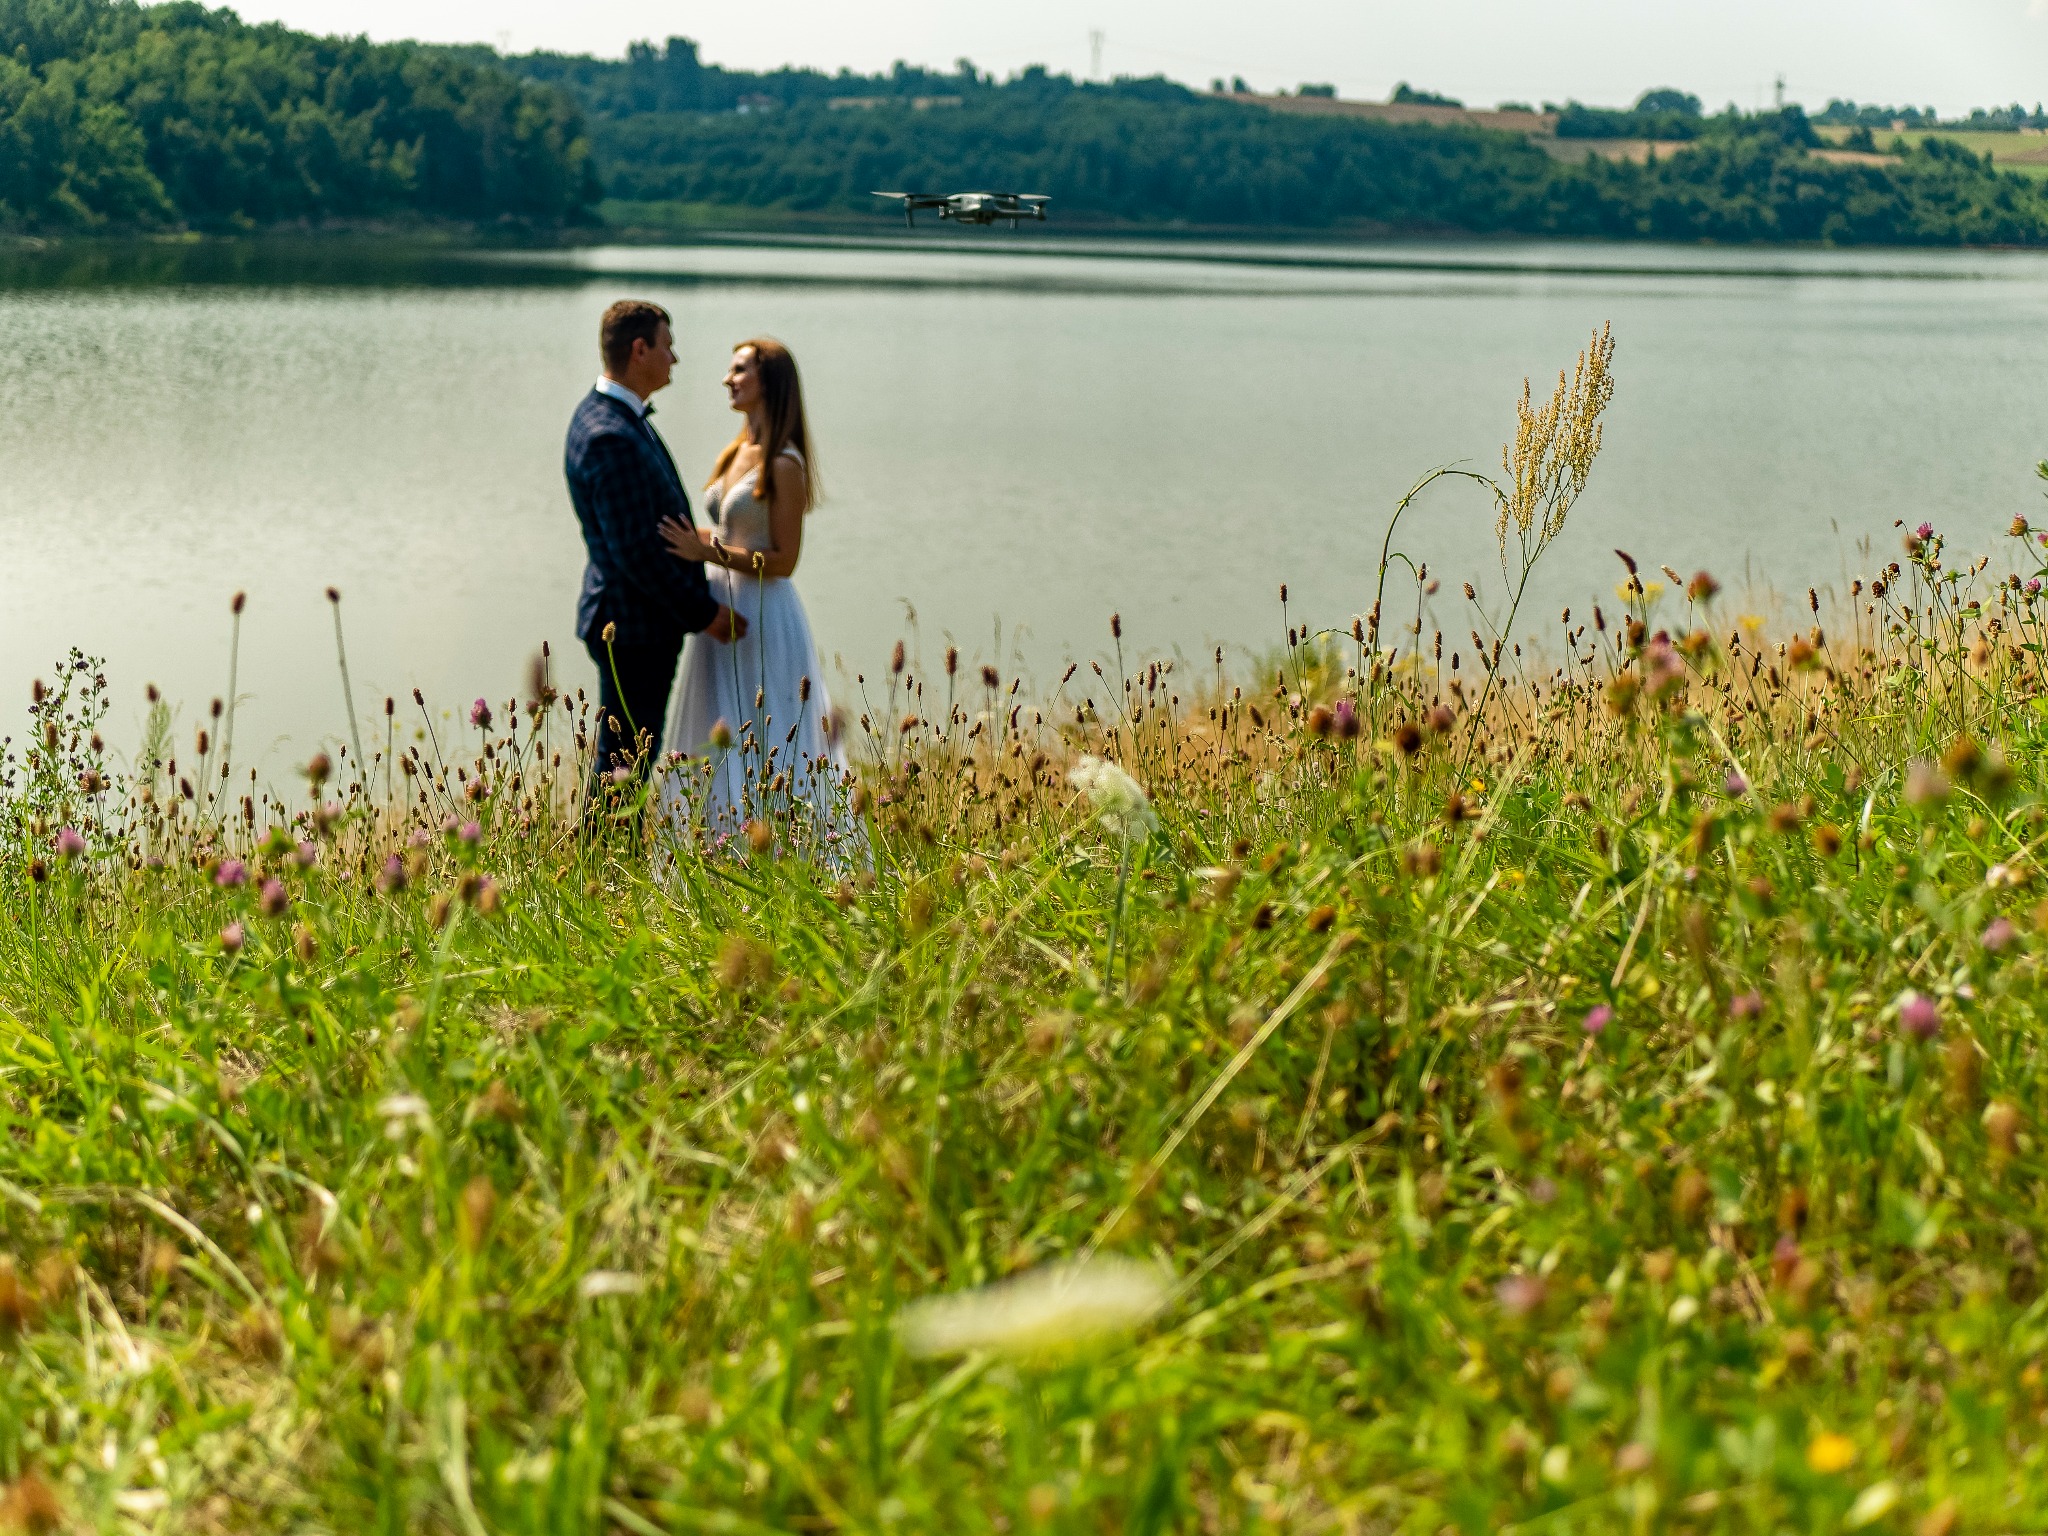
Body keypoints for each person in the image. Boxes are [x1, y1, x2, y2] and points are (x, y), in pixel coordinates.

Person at [656, 338, 857, 856]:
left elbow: (785, 560)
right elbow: (727, 535)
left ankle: (787, 846)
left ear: (769, 382)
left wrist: (708, 555)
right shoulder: (736, 449)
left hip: (764, 611)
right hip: (721, 604)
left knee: (769, 728)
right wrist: (694, 545)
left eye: (739, 370)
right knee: (718, 722)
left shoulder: (784, 464)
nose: (728, 378)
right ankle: (719, 846)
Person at [563, 300, 745, 813]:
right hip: (633, 626)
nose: (675, 358)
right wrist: (704, 613)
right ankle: (605, 868)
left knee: (626, 762)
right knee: (622, 764)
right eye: (667, 345)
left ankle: (610, 863)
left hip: (634, 620)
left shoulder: (610, 416)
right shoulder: (610, 436)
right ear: (639, 349)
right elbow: (635, 554)